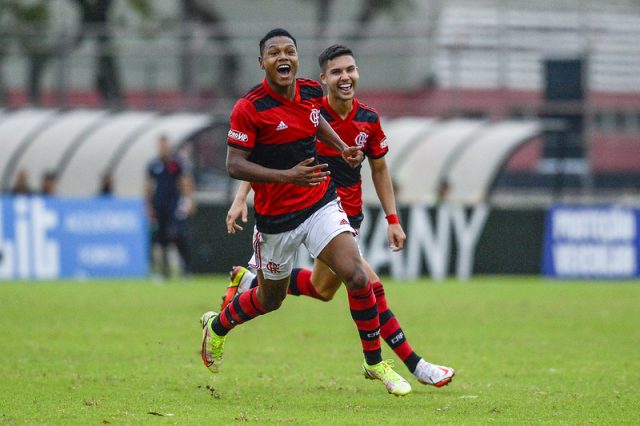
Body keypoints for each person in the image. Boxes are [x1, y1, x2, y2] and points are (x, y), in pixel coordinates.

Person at [223, 44, 455, 388]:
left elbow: (379, 169)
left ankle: (250, 281)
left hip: (350, 214)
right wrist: (241, 197)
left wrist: (393, 219)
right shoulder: (306, 109)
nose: (345, 77)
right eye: (336, 72)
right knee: (369, 284)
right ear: (323, 80)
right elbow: (265, 156)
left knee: (323, 289)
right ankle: (414, 365)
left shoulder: (368, 119)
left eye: (350, 70)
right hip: (315, 209)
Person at [145, 135, 195, 278]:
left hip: (175, 205)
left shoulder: (177, 163)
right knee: (161, 240)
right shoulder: (153, 165)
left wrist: (189, 201)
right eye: (161, 146)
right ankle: (164, 271)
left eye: (165, 146)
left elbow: (186, 182)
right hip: (159, 205)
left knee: (178, 234)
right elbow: (148, 187)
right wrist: (149, 207)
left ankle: (185, 268)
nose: (163, 149)